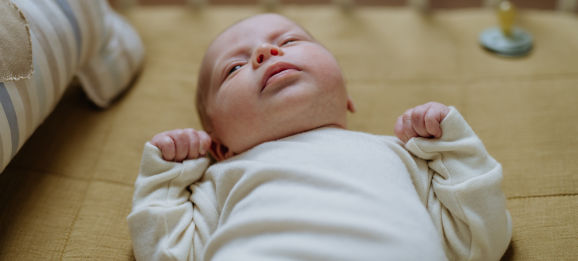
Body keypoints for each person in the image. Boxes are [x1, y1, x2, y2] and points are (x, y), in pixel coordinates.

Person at [127, 13, 512, 261]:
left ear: (345, 97)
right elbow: (168, 252)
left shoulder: (400, 155)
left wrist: (450, 147)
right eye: (233, 68)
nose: (265, 51)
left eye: (291, 41)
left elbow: (480, 239)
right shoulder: (221, 181)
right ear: (219, 145)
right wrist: (168, 177)